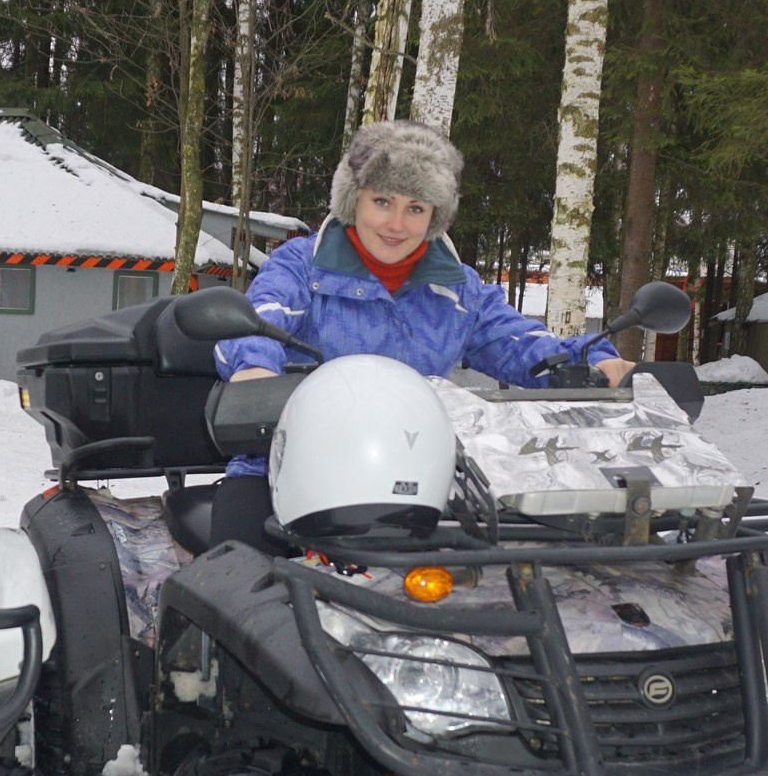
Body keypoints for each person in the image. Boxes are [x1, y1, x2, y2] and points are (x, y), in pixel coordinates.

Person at [208, 119, 625, 548]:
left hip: (417, 478)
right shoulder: (303, 265)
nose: (396, 224)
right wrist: (254, 369)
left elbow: (518, 342)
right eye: (383, 201)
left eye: (416, 208)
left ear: (434, 217)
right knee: (237, 571)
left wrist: (592, 362)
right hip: (286, 471)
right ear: (355, 199)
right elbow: (262, 315)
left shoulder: (456, 290)